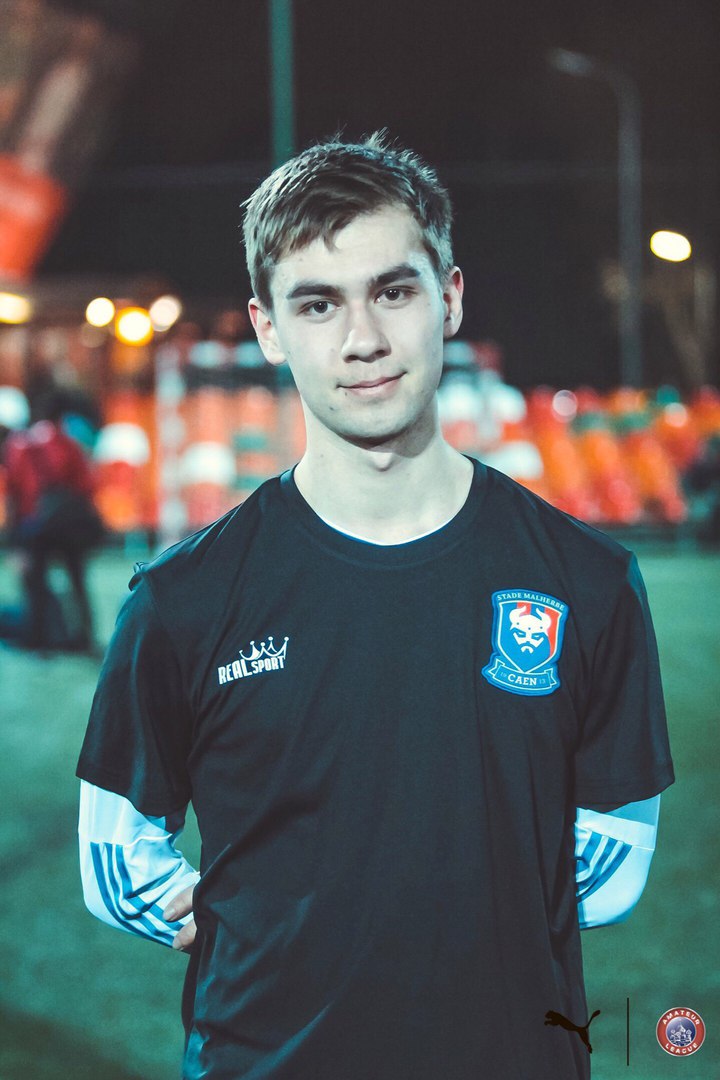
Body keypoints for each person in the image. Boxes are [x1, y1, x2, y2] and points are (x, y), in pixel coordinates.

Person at [76, 133, 674, 1080]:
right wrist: (253, 923)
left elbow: (615, 859)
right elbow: (114, 859)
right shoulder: (183, 599)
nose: (363, 340)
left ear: (451, 298)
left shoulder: (587, 581)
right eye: (318, 304)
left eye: (393, 291)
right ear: (269, 329)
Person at [4, 390, 101, 649]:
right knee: (77, 580)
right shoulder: (69, 445)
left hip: (33, 526)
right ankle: (84, 634)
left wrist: (15, 540)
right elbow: (87, 486)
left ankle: (38, 639)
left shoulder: (20, 444)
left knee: (35, 584)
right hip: (66, 526)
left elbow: (13, 493)